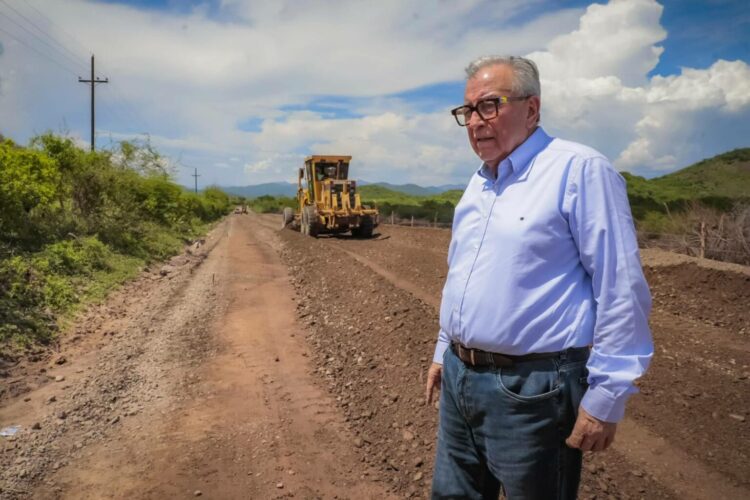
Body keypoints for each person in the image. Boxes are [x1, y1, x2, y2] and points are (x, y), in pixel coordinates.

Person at [425, 55, 653, 499]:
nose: (475, 121)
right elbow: (463, 276)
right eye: (468, 110)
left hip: (534, 390)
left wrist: (607, 397)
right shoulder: (478, 183)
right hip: (459, 376)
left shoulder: (579, 169)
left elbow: (620, 286)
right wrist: (443, 351)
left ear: (532, 109)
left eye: (489, 105)